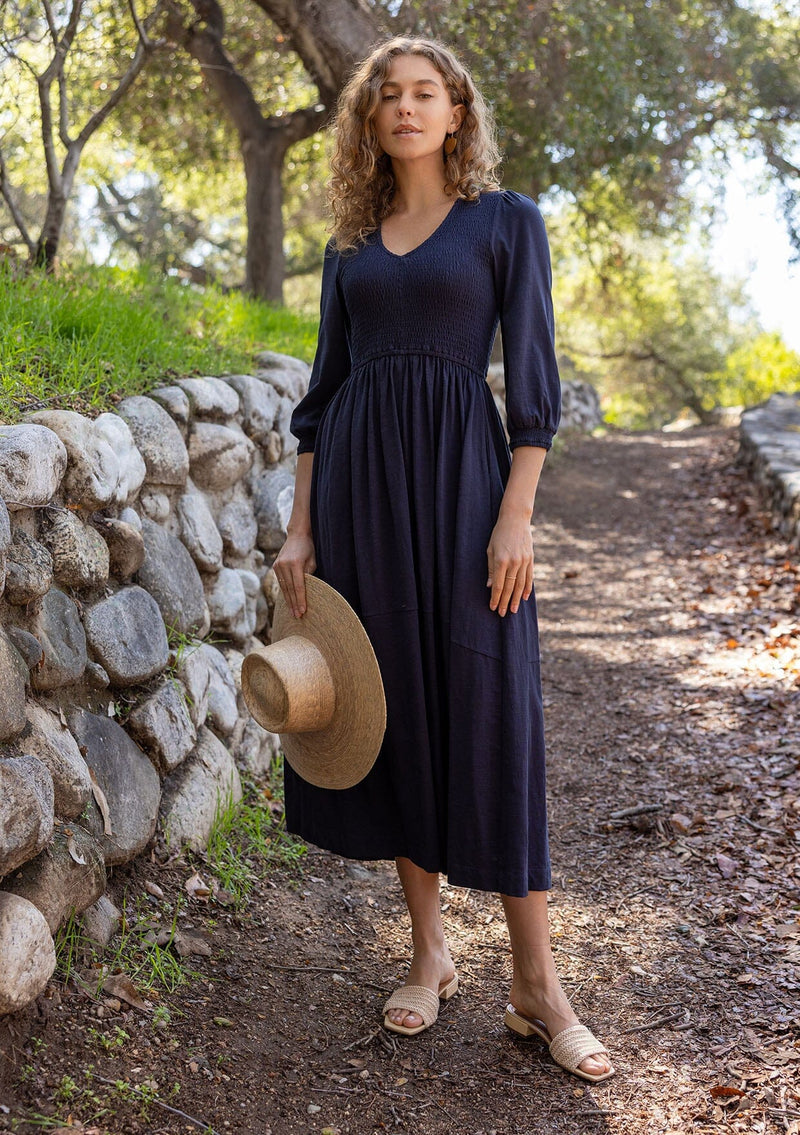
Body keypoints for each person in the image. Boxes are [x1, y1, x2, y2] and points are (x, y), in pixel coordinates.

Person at [272, 34, 614, 1083]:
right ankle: (427, 953)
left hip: (467, 495)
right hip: (363, 499)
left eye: (426, 94)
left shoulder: (504, 224)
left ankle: (535, 983)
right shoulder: (350, 245)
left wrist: (513, 518)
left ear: (456, 113)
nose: (406, 108)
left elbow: (533, 386)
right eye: (389, 96)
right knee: (395, 710)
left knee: (492, 715)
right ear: (369, 121)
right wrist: (299, 526)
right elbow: (321, 400)